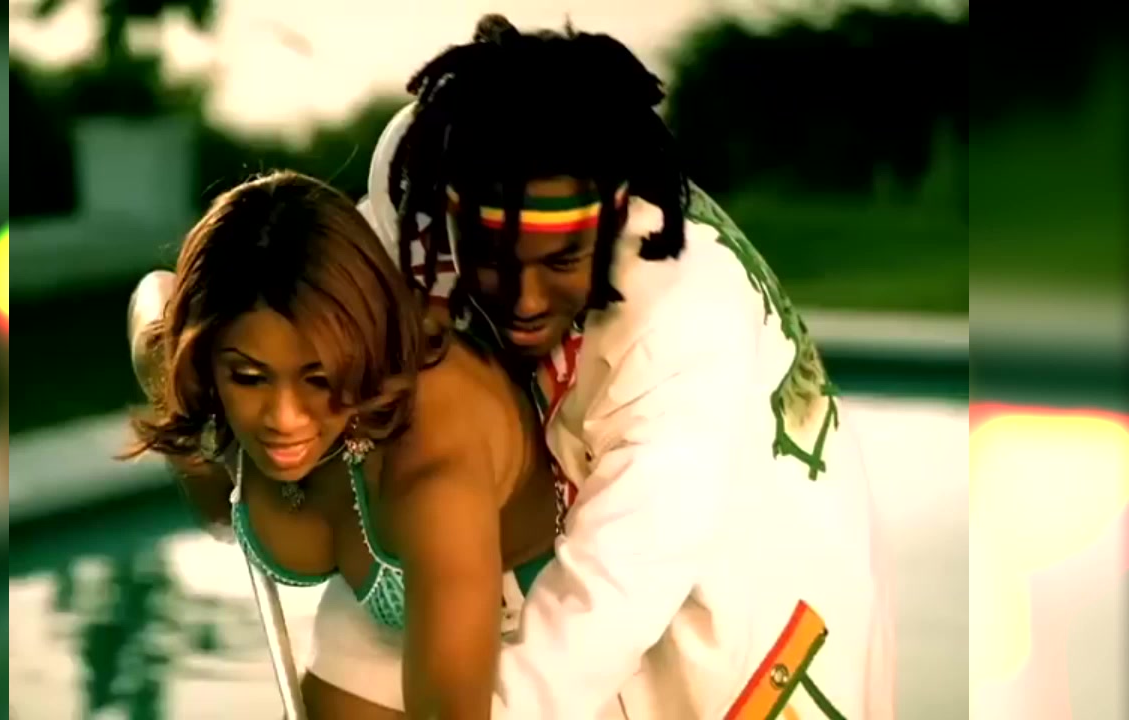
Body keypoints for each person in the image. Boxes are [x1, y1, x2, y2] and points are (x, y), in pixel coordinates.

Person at [351, 14, 897, 719]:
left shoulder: (682, 320)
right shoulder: (434, 185)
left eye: (560, 262)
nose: (523, 301)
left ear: (611, 222)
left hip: (762, 626)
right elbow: (348, 264)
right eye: (492, 259)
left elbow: (611, 595)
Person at [124, 171, 560, 718]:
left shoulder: (433, 457)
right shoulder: (199, 373)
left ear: (364, 348)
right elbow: (154, 297)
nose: (283, 419)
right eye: (249, 377)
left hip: (541, 632)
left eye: (319, 377)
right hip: (384, 619)